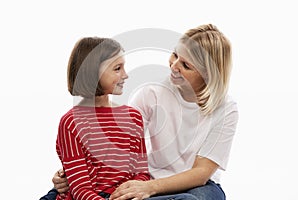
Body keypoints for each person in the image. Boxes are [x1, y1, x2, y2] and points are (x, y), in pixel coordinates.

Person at [46, 24, 239, 200]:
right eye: (175, 55)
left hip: (195, 184)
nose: (174, 65)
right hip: (146, 179)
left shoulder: (226, 108)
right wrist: (70, 172)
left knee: (201, 198)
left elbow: (201, 172)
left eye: (186, 65)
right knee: (61, 192)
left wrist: (150, 187)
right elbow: (116, 146)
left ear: (207, 73)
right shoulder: (152, 92)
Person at [44, 37, 151, 200]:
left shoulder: (133, 117)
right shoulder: (71, 122)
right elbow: (80, 189)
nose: (126, 75)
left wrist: (131, 194)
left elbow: (142, 174)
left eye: (124, 67)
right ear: (92, 73)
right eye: (117, 68)